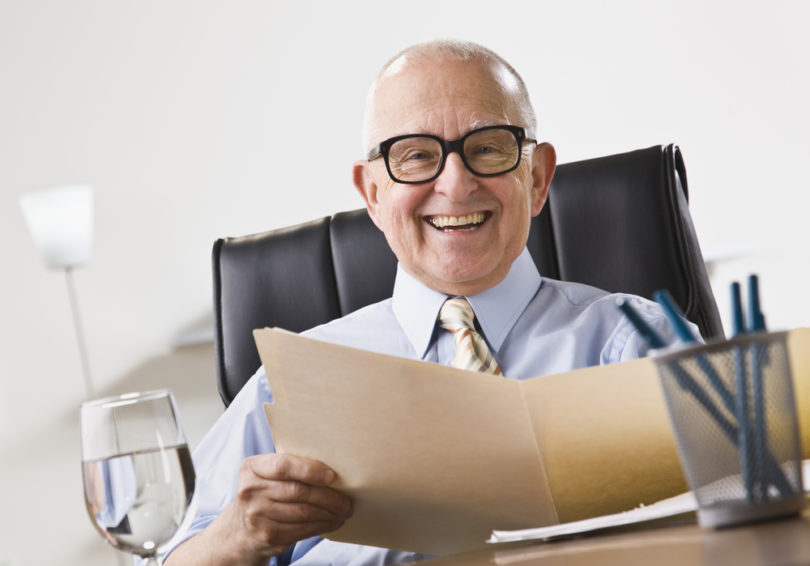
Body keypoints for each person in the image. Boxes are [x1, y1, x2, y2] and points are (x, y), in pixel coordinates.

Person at [163, 39, 685, 566]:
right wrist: (238, 535)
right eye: (415, 156)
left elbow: (729, 518)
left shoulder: (637, 343)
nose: (455, 186)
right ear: (371, 193)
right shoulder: (291, 383)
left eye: (487, 147)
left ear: (537, 176)